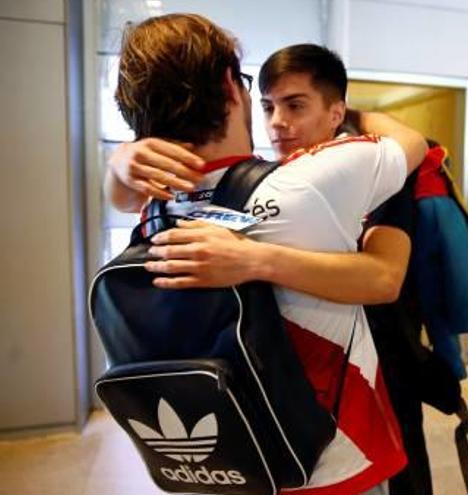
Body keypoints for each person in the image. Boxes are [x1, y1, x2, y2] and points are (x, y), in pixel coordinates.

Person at [108, 15, 427, 495]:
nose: (278, 120)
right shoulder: (315, 175)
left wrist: (121, 159)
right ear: (230, 89)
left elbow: (119, 197)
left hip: (224, 461)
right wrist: (351, 115)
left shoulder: (154, 198)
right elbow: (412, 142)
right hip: (328, 460)